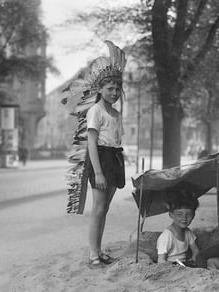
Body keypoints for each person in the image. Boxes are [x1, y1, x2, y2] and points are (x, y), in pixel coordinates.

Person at [83, 41, 127, 268]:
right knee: (98, 208)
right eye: (109, 88)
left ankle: (99, 250)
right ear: (100, 89)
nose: (114, 93)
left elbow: (115, 140)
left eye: (117, 89)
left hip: (114, 158)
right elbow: (91, 143)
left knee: (105, 208)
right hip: (100, 159)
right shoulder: (96, 111)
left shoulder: (116, 113)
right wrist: (98, 172)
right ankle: (92, 254)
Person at [156, 192, 200, 267]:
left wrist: (194, 260)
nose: (184, 218)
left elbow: (196, 251)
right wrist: (174, 266)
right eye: (179, 214)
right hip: (171, 268)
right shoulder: (167, 236)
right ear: (171, 214)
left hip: (184, 265)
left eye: (188, 214)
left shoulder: (188, 233)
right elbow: (160, 260)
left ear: (193, 215)